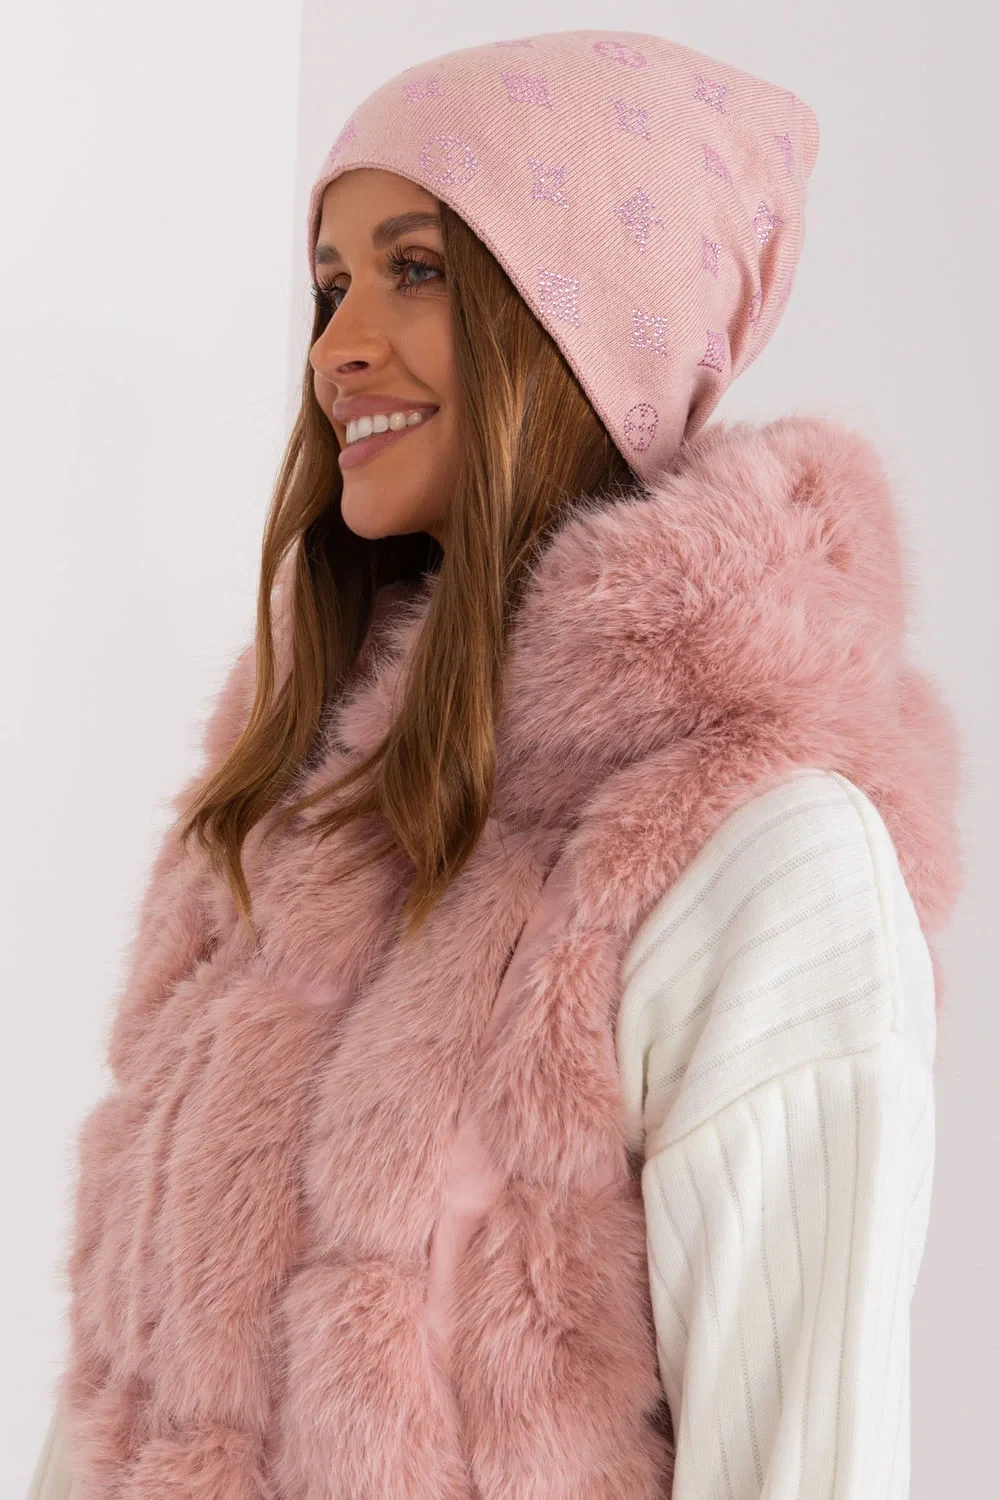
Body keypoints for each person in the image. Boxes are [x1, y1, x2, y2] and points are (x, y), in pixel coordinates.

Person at [27, 27, 963, 1500]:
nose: (336, 346)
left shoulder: (765, 857)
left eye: (415, 270)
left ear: (591, 327)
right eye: (331, 284)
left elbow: (807, 1465)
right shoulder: (287, 814)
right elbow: (109, 1408)